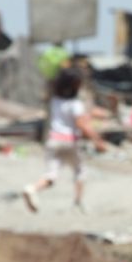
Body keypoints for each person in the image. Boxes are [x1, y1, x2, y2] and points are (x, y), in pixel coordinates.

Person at [23, 67, 107, 213]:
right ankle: (78, 201)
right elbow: (82, 125)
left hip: (53, 140)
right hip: (69, 142)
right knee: (80, 171)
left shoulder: (55, 101)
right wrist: (97, 141)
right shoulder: (75, 105)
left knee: (51, 174)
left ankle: (32, 188)